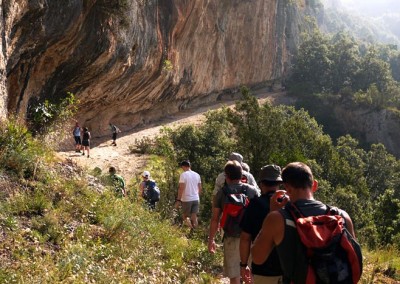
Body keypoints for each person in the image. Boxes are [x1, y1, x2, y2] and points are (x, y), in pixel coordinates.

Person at [251, 162, 357, 283]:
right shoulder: (342, 216)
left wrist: (271, 212)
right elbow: (353, 261)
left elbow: (257, 257)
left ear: (287, 189)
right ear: (315, 185)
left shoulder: (277, 218)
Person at [208, 160, 259, 284]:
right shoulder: (253, 191)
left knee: (234, 275)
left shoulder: (221, 193)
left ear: (226, 176)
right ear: (242, 175)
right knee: (249, 273)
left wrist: (211, 240)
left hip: (231, 237)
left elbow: (215, 219)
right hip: (250, 237)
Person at [239, 165, 283, 284]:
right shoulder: (289, 204)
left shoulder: (255, 205)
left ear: (261, 184)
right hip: (288, 270)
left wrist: (243, 265)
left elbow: (245, 238)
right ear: (279, 184)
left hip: (263, 268)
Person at [174, 160, 202, 229]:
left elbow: (181, 188)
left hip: (186, 199)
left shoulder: (183, 175)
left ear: (183, 166)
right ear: (190, 166)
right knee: (194, 217)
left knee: (185, 216)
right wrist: (196, 196)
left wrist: (178, 200)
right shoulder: (197, 175)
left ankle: (189, 230)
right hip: (196, 198)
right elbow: (200, 188)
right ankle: (195, 232)